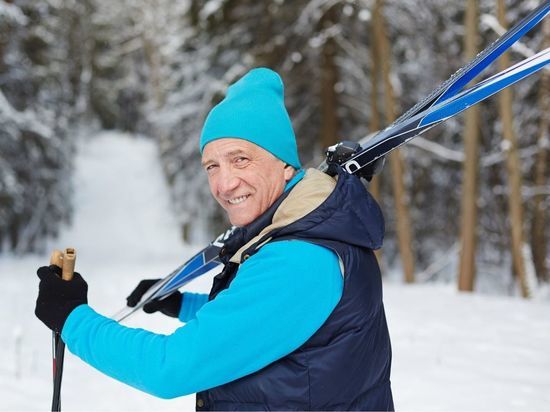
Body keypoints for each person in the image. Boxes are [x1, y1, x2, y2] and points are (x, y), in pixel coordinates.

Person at [35, 67, 394, 410]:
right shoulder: (304, 235)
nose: (224, 184)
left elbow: (169, 369)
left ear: (285, 165)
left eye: (240, 160)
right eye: (212, 166)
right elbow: (266, 324)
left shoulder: (300, 259)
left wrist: (71, 318)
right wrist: (185, 306)